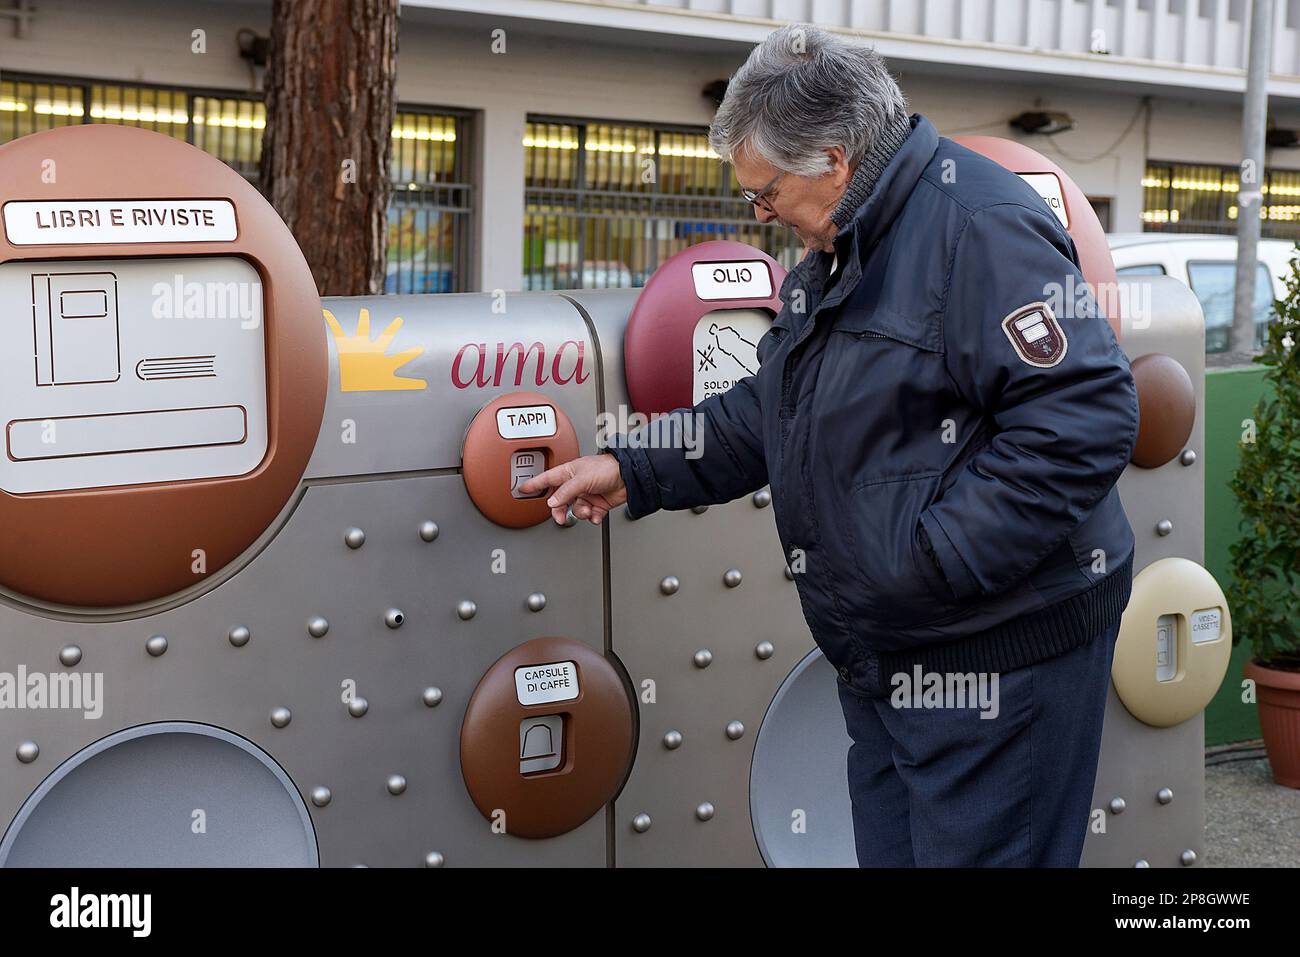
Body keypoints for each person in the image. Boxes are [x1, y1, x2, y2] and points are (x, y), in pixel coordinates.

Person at [517, 23, 1138, 867]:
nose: (761, 214)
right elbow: (774, 407)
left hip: (994, 658)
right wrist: (631, 465)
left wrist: (932, 561)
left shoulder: (977, 227)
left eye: (765, 192)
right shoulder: (846, 242)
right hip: (891, 649)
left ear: (835, 160)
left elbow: (1084, 416)